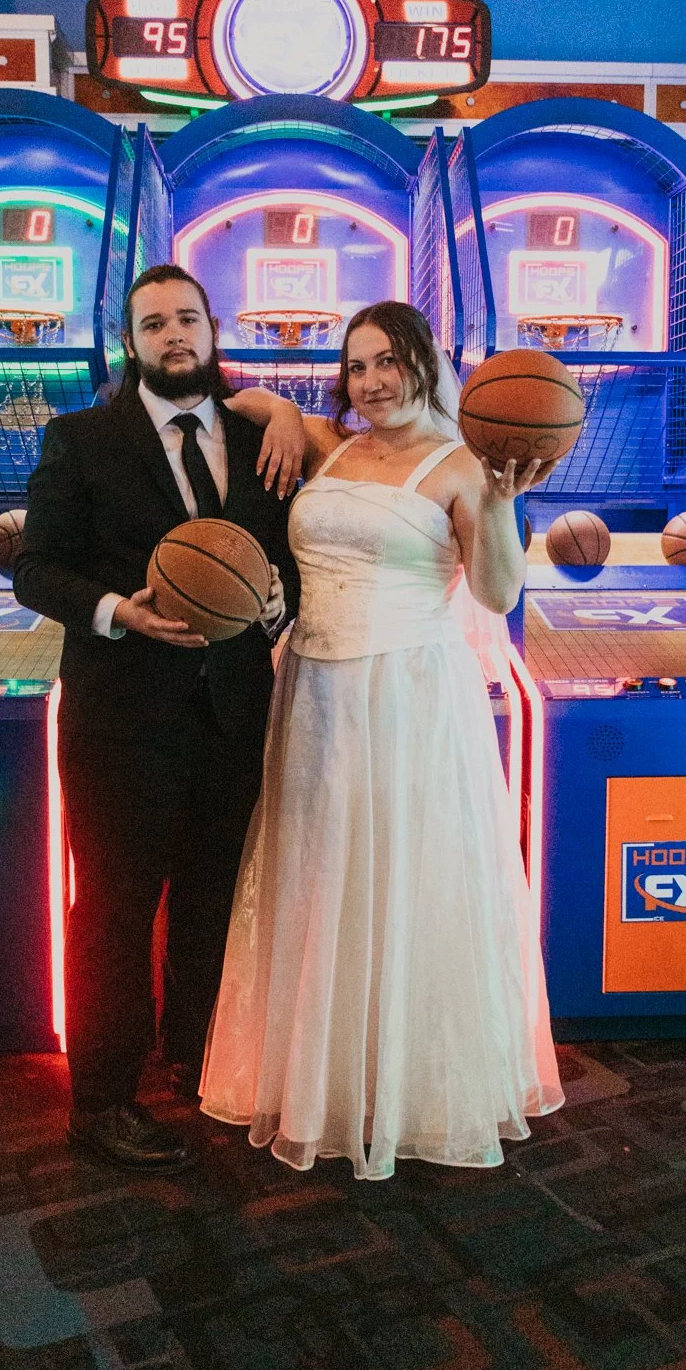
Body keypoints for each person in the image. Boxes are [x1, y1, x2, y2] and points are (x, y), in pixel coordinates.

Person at [200, 300, 564, 1179]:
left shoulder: (464, 465)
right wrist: (285, 410)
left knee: (404, 881)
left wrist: (505, 507)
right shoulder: (335, 442)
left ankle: (409, 1091)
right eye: (357, 366)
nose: (373, 381)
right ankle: (331, 1080)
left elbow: (498, 595)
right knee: (325, 877)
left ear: (426, 364)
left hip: (408, 697)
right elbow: (240, 398)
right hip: (315, 691)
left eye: (390, 362)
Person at [14, 264, 304, 1168]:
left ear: (211, 330)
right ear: (129, 342)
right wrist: (117, 610)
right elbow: (37, 568)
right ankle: (100, 1101)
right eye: (153, 325)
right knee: (113, 910)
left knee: (211, 906)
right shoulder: (82, 438)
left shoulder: (262, 437)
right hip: (120, 722)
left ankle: (195, 1059)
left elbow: (285, 568)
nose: (173, 336)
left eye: (187, 319)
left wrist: (271, 606)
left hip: (231, 714)